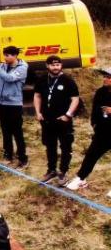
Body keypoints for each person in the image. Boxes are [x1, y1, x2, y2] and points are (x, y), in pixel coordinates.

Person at [34, 54, 80, 184]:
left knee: (65, 147)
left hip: (63, 121)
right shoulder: (42, 79)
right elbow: (37, 96)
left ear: (61, 66)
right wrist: (38, 112)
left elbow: (75, 99)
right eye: (53, 65)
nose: (56, 67)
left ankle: (63, 172)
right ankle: (51, 170)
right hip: (47, 120)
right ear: (47, 66)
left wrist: (68, 115)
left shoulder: (68, 80)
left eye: (58, 65)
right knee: (50, 146)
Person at [66, 68, 111, 192]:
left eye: (109, 77)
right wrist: (94, 124)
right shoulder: (100, 92)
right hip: (102, 132)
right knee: (91, 155)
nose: (105, 79)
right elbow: (95, 110)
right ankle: (81, 178)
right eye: (105, 76)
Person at [0, 47, 29, 167]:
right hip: (1, 103)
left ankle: (23, 158)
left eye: (8, 55)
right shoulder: (3, 66)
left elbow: (9, 78)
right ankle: (8, 155)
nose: (5, 57)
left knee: (17, 132)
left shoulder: (22, 68)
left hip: (14, 104)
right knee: (5, 131)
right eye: (4, 55)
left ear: (15, 55)